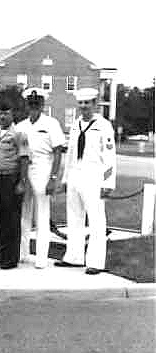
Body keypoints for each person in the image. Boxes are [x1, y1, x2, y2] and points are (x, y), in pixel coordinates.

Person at [56, 87, 116, 275]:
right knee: (74, 217)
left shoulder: (103, 125)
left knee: (97, 220)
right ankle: (74, 257)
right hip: (75, 175)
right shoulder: (76, 124)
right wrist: (66, 178)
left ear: (95, 104)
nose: (83, 107)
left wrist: (108, 183)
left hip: (94, 176)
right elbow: (71, 154)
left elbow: (109, 157)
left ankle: (96, 262)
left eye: (87, 103)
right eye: (81, 103)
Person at [16, 87, 65, 268]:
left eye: (37, 103)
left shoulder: (51, 123)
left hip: (43, 169)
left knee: (42, 215)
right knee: (24, 214)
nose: (34, 106)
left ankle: (41, 257)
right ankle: (23, 252)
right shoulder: (21, 126)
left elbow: (58, 151)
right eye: (31, 103)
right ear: (27, 104)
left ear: (43, 104)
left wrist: (53, 178)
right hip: (24, 170)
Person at [0, 101, 29, 269]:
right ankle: (2, 254)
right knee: (0, 218)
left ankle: (11, 259)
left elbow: (24, 158)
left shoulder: (19, 133)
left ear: (12, 115)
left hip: (12, 179)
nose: (2, 116)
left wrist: (22, 181)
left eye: (6, 113)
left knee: (11, 220)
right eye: (0, 114)